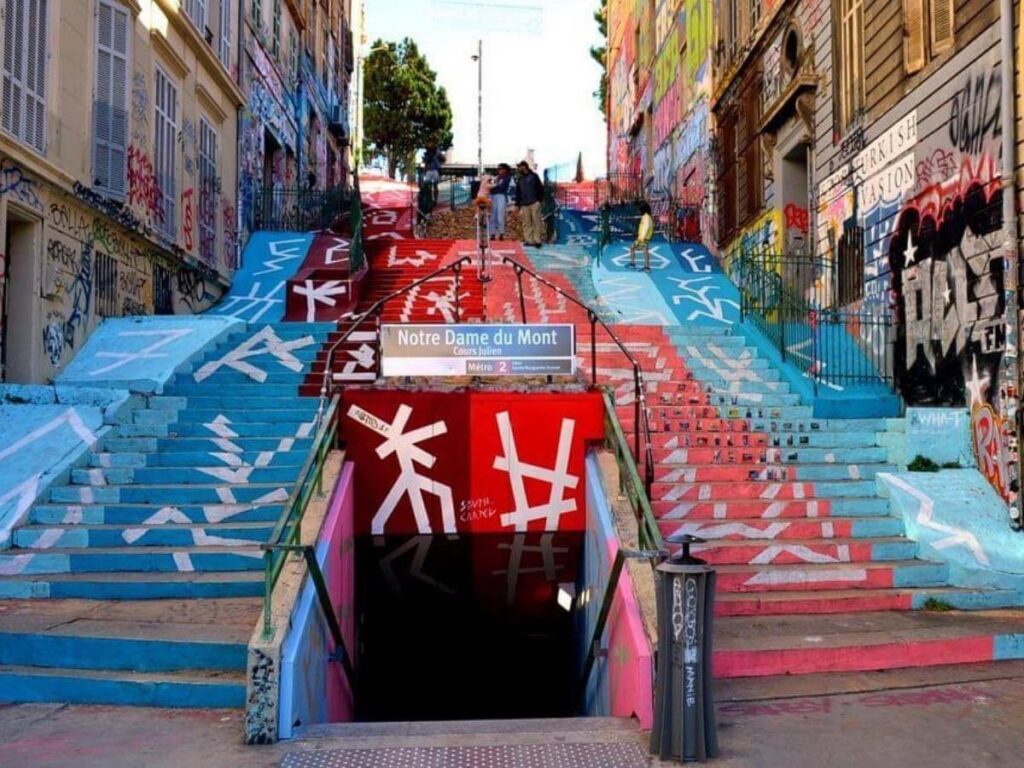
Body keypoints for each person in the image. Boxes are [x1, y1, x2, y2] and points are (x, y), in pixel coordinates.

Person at [515, 160, 545, 248]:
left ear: (524, 166)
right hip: (524, 204)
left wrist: (540, 200)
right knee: (526, 222)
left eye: (520, 167)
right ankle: (529, 240)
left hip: (534, 202)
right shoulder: (520, 179)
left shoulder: (534, 176)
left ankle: (537, 240)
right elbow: (518, 192)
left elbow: (540, 188)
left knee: (536, 221)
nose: (519, 169)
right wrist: (518, 204)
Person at [488, 163, 512, 240]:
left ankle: (501, 233)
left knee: (500, 216)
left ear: (505, 169)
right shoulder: (497, 177)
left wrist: (494, 187)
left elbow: (502, 187)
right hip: (493, 196)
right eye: (498, 169)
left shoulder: (507, 177)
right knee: (492, 215)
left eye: (501, 169)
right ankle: (492, 234)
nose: (499, 170)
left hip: (501, 196)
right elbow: (491, 187)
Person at [629, 201, 654, 271]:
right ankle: (633, 263)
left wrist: (641, 238)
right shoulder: (645, 217)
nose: (639, 211)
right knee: (634, 248)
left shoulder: (647, 217)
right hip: (641, 237)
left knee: (644, 250)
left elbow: (646, 228)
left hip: (643, 238)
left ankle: (646, 267)